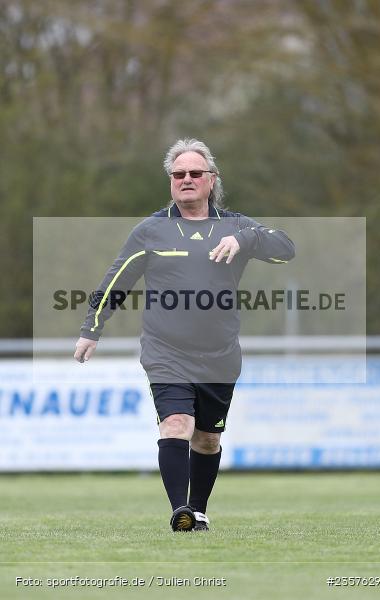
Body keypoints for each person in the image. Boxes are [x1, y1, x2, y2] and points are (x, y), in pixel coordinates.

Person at [74, 138, 295, 532]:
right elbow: (116, 281)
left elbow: (285, 249)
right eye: (178, 175)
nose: (186, 179)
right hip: (165, 350)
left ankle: (198, 509)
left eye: (195, 173)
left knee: (207, 440)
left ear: (212, 179)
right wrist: (92, 328)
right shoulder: (151, 231)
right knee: (176, 423)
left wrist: (245, 239)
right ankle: (180, 511)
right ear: (171, 182)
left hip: (220, 353)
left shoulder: (236, 226)